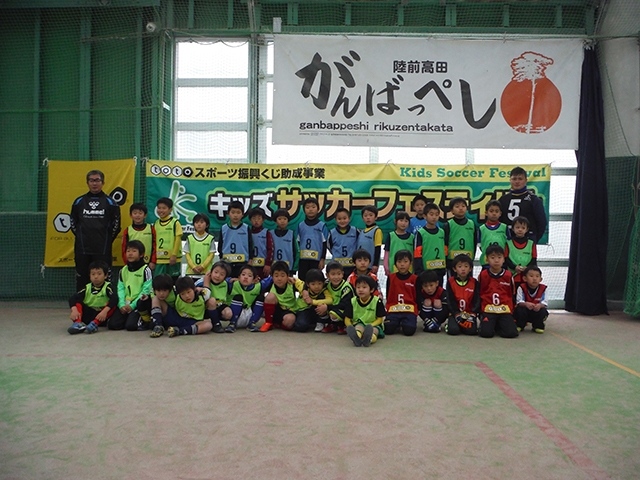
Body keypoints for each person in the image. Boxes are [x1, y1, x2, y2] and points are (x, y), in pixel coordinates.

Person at [70, 169, 121, 291]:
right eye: (91, 180)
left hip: (102, 249)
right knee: (82, 278)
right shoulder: (79, 202)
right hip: (82, 248)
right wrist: (83, 236)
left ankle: (105, 305)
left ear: (103, 182)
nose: (94, 183)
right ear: (87, 183)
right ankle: (81, 306)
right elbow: (73, 222)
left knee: (103, 278)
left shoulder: (111, 203)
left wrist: (106, 239)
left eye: (97, 180)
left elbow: (116, 225)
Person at [67, 260, 120, 334]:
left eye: (99, 274)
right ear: (90, 275)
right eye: (93, 274)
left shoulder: (108, 287)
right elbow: (73, 298)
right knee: (78, 302)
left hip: (102, 316)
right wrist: (74, 310)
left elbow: (115, 299)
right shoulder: (87, 287)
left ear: (105, 275)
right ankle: (78, 324)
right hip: (89, 314)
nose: (96, 277)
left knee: (113, 304)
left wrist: (104, 312)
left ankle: (95, 324)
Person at [478, 245, 519, 339]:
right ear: (487, 259)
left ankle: (499, 324)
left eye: (499, 257)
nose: (496, 260)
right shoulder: (483, 275)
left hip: (504, 309)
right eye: (492, 257)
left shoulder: (508, 275)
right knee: (486, 333)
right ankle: (491, 323)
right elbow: (479, 293)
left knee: (512, 333)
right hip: (488, 309)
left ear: (503, 259)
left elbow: (512, 294)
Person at [498, 166, 547, 243]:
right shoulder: (503, 199)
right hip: (507, 241)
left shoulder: (534, 200)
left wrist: (533, 240)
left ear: (526, 180)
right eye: (514, 179)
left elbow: (542, 223)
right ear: (510, 180)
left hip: (527, 241)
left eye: (520, 179)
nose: (517, 182)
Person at [117, 240, 153, 331]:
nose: (130, 254)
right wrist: (121, 304)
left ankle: (146, 320)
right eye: (128, 251)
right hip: (125, 304)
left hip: (138, 304)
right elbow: (120, 288)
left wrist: (132, 306)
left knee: (130, 326)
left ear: (141, 254)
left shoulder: (146, 270)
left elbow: (146, 291)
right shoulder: (123, 270)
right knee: (114, 324)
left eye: (134, 251)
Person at [226, 264, 272, 333]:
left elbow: (270, 279)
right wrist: (229, 279)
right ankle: (232, 324)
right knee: (238, 297)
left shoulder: (257, 286)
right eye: (243, 275)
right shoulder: (233, 284)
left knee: (261, 297)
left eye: (249, 276)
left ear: (254, 279)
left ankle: (252, 323)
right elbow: (220, 278)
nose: (246, 277)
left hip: (250, 315)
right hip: (236, 314)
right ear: (239, 277)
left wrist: (287, 277)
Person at [261, 260, 304, 331]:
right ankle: (268, 323)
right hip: (275, 310)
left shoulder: (292, 284)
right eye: (276, 275)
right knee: (270, 296)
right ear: (272, 276)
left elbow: (305, 288)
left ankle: (280, 325)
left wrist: (296, 281)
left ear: (288, 276)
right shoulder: (270, 284)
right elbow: (256, 288)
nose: (279, 278)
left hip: (289, 311)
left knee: (290, 320)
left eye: (282, 275)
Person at [384, 250, 419, 336]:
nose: (402, 264)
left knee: (409, 331)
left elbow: (418, 296)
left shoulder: (415, 279)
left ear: (410, 263)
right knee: (388, 329)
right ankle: (396, 323)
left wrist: (417, 310)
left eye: (405, 261)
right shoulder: (391, 278)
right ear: (395, 264)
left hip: (409, 310)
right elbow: (388, 295)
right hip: (394, 309)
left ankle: (403, 322)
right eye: (399, 262)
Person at [345, 275, 386, 347]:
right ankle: (356, 338)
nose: (360, 290)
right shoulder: (352, 301)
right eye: (358, 287)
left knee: (374, 331)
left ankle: (369, 339)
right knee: (358, 328)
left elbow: (380, 319)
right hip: (359, 323)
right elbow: (347, 318)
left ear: (372, 290)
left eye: (364, 287)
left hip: (374, 324)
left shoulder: (377, 301)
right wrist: (350, 326)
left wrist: (370, 326)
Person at [445, 254, 480, 336]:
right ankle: (450, 325)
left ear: (470, 269)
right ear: (454, 269)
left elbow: (477, 300)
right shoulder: (450, 282)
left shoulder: (474, 282)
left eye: (466, 266)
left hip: (469, 314)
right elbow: (450, 300)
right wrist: (456, 314)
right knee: (453, 331)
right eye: (460, 266)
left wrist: (473, 314)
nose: (463, 269)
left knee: (471, 331)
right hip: (455, 314)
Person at [413, 202, 447, 285]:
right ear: (425, 216)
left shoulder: (442, 232)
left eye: (436, 214)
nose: (434, 217)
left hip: (440, 269)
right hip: (426, 271)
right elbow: (417, 253)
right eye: (431, 214)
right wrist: (419, 271)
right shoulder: (420, 233)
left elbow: (445, 249)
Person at [442, 197, 477, 276]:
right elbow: (445, 244)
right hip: (452, 261)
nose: (460, 208)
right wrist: (447, 261)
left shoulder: (472, 224)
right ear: (451, 210)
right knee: (452, 284)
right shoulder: (448, 225)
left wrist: (472, 259)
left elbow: (474, 242)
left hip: (467, 261)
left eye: (463, 206)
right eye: (457, 207)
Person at [296, 197, 328, 282]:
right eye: (307, 207)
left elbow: (325, 243)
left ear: (318, 209)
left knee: (315, 281)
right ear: (304, 210)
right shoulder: (300, 225)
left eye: (313, 207)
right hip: (303, 260)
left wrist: (322, 259)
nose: (310, 209)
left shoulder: (322, 225)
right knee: (302, 282)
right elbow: (297, 243)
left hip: (316, 260)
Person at [218, 200, 252, 278]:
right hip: (227, 262)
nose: (235, 215)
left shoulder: (246, 228)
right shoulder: (224, 228)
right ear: (228, 213)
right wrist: (220, 257)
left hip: (242, 262)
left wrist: (250, 259)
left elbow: (250, 244)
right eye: (233, 212)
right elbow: (220, 244)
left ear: (242, 214)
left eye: (238, 212)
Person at [320, 261, 355, 334]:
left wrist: (327, 307)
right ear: (327, 275)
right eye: (333, 274)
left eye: (339, 274)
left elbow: (344, 305)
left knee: (333, 314)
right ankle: (330, 324)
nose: (336, 277)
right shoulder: (326, 284)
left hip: (346, 310)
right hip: (333, 307)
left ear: (342, 274)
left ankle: (342, 325)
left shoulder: (346, 287)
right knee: (320, 306)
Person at [154, 197, 183, 282]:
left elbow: (178, 239)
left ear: (170, 210)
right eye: (159, 208)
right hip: (159, 259)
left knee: (172, 281)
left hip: (172, 259)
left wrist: (174, 255)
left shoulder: (175, 222)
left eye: (164, 208)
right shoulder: (156, 223)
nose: (161, 210)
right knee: (159, 282)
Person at [201, 260, 233, 333]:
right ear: (210, 272)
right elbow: (204, 297)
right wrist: (206, 284)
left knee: (228, 314)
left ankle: (215, 318)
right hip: (205, 308)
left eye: (222, 274)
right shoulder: (202, 282)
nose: (218, 276)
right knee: (212, 300)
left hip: (219, 305)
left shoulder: (226, 284)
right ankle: (216, 324)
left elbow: (228, 296)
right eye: (216, 272)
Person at [121, 203, 156, 269]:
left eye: (140, 213)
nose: (137, 215)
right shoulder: (128, 230)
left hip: (148, 263)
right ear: (131, 215)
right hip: (132, 263)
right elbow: (124, 248)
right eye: (135, 213)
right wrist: (127, 262)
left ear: (145, 215)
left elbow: (155, 245)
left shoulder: (151, 229)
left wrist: (153, 261)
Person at [505, 216, 537, 286]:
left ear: (527, 229)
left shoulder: (531, 244)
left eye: (523, 228)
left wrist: (527, 268)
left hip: (527, 277)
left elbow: (534, 259)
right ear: (513, 228)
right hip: (512, 277)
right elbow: (506, 259)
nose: (520, 230)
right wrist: (514, 267)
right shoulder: (508, 243)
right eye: (517, 227)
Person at [514, 266, 548, 333]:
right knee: (519, 309)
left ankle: (538, 326)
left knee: (543, 311)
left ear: (540, 279)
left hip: (536, 310)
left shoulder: (544, 288)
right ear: (525, 278)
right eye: (531, 276)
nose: (534, 279)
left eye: (537, 276)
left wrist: (539, 305)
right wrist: (526, 304)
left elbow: (545, 302)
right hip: (525, 310)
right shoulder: (521, 287)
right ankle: (520, 325)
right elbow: (519, 301)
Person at [328, 207, 358, 279]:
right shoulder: (332, 232)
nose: (342, 221)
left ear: (349, 219)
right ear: (336, 220)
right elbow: (329, 246)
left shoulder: (355, 231)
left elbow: (359, 245)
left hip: (352, 266)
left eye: (344, 218)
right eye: (339, 219)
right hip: (337, 267)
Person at [184, 213, 216, 280]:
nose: (199, 224)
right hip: (191, 273)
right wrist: (193, 267)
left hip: (206, 273)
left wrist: (202, 266)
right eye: (196, 222)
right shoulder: (190, 238)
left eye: (201, 222)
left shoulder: (210, 238)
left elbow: (211, 255)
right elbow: (187, 254)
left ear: (207, 225)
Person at [478, 200, 509, 267]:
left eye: (496, 211)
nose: (494, 213)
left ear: (500, 213)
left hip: (501, 263)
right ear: (486, 213)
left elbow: (508, 245)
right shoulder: (482, 228)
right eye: (491, 211)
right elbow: (480, 245)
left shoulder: (504, 227)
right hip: (486, 263)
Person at [383, 210, 414, 277]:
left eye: (406, 221)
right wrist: (386, 266)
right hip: (393, 269)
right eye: (401, 220)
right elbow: (387, 252)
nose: (403, 223)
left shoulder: (412, 237)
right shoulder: (391, 235)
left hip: (409, 270)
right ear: (395, 221)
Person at [269, 208, 298, 275]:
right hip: (273, 269)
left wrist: (294, 268)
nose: (282, 221)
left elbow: (296, 251)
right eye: (279, 219)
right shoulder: (270, 234)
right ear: (275, 221)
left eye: (285, 219)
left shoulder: (291, 234)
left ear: (288, 221)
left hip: (288, 269)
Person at [356, 205, 383, 275]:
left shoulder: (377, 230)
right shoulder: (361, 232)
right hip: (360, 266)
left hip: (370, 266)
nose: (368, 218)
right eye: (365, 216)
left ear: (376, 217)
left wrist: (375, 264)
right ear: (362, 218)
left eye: (371, 215)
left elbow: (378, 248)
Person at [248, 207, 273, 279]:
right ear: (250, 220)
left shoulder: (266, 232)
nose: (256, 221)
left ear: (263, 220)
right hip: (250, 266)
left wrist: (268, 264)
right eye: (254, 218)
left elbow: (270, 249)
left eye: (259, 218)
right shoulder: (247, 232)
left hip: (263, 267)